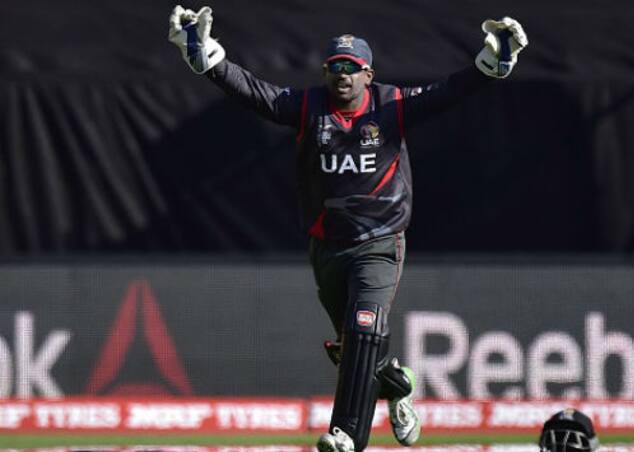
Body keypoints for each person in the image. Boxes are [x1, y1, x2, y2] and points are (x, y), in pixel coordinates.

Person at [168, 6, 528, 451]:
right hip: (327, 247)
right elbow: (254, 92)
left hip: (379, 242)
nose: (343, 75)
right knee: (354, 351)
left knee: (363, 330)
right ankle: (398, 386)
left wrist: (492, 64)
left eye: (352, 68)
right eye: (336, 67)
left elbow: (448, 92)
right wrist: (205, 58)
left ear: (368, 74)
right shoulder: (306, 109)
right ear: (325, 72)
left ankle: (347, 436)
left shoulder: (393, 105)